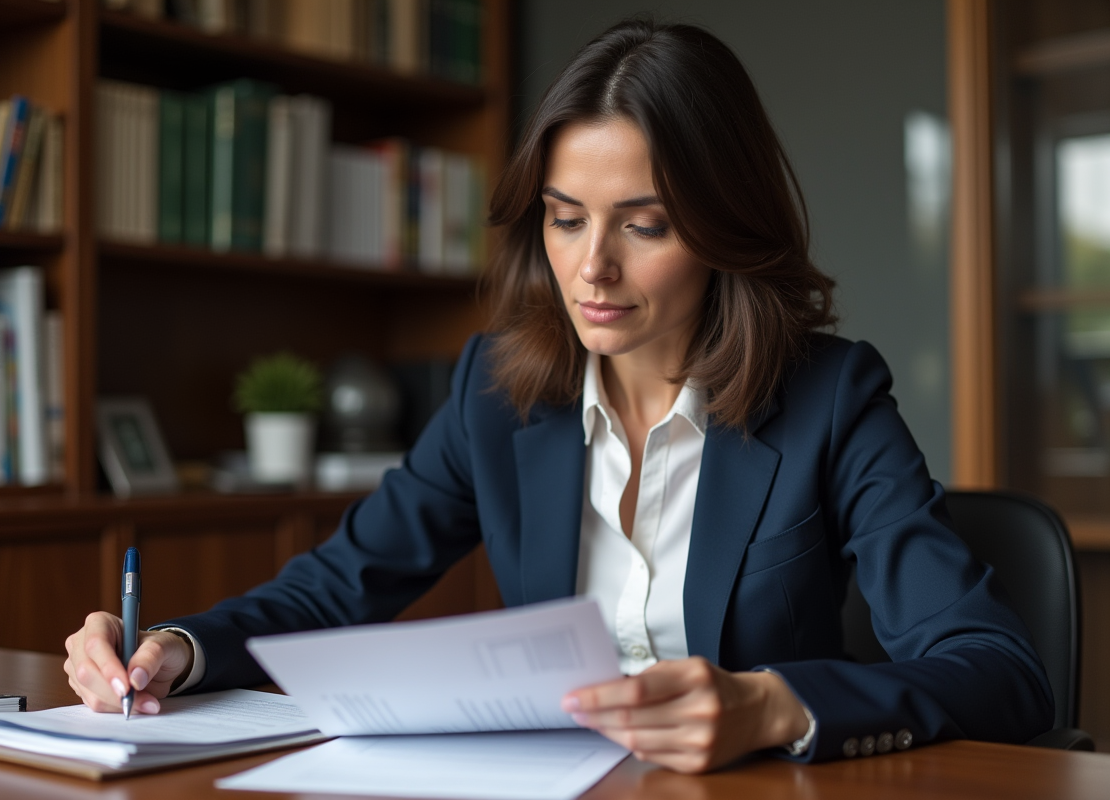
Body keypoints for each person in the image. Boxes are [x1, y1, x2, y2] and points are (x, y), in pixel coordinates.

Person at [64, 18, 1053, 772]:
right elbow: (336, 586)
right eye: (565, 218)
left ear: (722, 228)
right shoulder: (498, 392)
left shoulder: (833, 396)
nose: (593, 268)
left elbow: (1000, 671)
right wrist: (176, 648)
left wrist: (775, 703)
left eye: (646, 224)